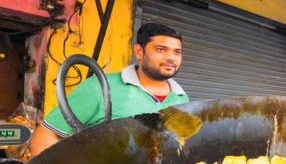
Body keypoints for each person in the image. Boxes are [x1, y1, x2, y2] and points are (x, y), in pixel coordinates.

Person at [29, 22, 188, 156]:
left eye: (177, 52)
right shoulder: (99, 87)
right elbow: (45, 134)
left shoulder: (181, 98)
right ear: (139, 51)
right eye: (161, 49)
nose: (171, 58)